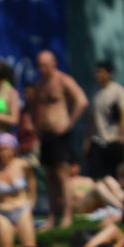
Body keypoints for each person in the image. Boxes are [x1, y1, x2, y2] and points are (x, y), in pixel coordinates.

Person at [29, 51, 89, 230]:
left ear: (54, 63)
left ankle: (67, 215)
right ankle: (52, 215)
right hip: (46, 134)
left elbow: (82, 101)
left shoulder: (63, 80)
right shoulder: (39, 84)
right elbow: (34, 106)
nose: (43, 69)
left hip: (60, 132)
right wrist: (36, 126)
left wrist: (69, 123)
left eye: (46, 65)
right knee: (49, 176)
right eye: (40, 65)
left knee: (63, 175)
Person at [86, 61, 124, 184]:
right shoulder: (95, 92)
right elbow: (92, 118)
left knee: (116, 176)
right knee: (97, 177)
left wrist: (122, 135)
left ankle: (117, 202)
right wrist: (87, 139)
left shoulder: (118, 91)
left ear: (109, 74)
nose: (97, 75)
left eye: (100, 72)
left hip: (114, 140)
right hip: (98, 140)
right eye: (96, 72)